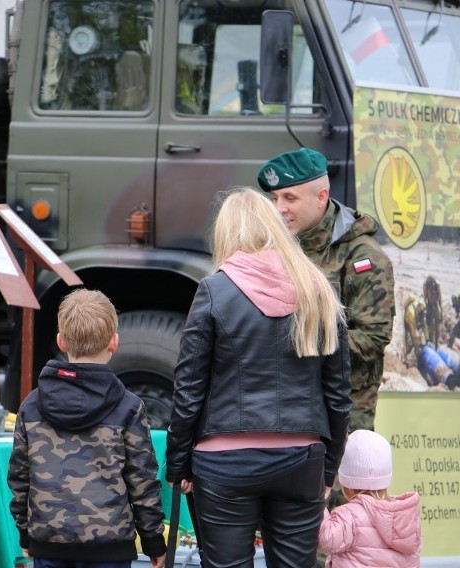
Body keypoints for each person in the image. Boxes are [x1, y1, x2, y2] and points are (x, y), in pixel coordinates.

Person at [166, 187, 351, 568]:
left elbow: (189, 388)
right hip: (302, 459)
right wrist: (328, 468)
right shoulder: (318, 291)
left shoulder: (214, 291)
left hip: (224, 462)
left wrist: (179, 464)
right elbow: (338, 395)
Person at [7, 289, 167, 568]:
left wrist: (25, 533)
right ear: (114, 342)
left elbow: (20, 477)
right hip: (110, 548)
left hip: (49, 544)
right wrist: (153, 539)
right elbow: (142, 482)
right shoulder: (128, 407)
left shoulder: (32, 405)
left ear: (61, 341)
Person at [258, 148, 395, 434]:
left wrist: (301, 341)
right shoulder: (275, 248)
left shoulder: (361, 257)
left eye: (290, 198)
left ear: (321, 197)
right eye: (275, 199)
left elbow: (373, 338)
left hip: (338, 417)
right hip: (280, 412)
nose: (279, 208)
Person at [318, 430, 421, 567]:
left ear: (347, 485)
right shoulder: (405, 516)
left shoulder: (350, 516)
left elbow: (324, 540)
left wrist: (319, 498)